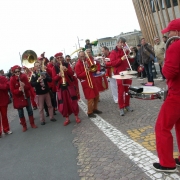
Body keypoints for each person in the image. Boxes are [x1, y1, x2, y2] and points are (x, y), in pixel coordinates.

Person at [153, 18, 180, 172]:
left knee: (162, 127)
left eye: (169, 31)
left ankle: (167, 163)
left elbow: (169, 72)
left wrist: (164, 64)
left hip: (177, 94)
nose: (167, 34)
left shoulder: (175, 46)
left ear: (176, 32)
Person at [52, 52, 81, 126]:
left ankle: (76, 116)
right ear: (56, 59)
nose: (59, 59)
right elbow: (54, 78)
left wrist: (66, 69)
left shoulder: (67, 65)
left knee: (73, 101)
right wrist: (59, 75)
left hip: (69, 85)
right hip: (61, 87)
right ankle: (67, 118)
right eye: (58, 58)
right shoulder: (54, 67)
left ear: (63, 58)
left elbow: (71, 74)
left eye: (60, 57)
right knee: (63, 103)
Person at [110, 37, 133, 116]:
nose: (122, 44)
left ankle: (127, 105)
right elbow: (112, 63)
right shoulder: (113, 52)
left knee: (127, 90)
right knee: (120, 91)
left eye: (123, 43)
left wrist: (131, 54)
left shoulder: (126, 51)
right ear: (117, 43)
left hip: (127, 72)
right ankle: (121, 107)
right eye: (121, 42)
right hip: (119, 74)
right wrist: (121, 59)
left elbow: (131, 60)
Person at [10, 65, 37, 132]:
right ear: (13, 72)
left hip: (26, 96)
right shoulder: (12, 79)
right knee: (20, 113)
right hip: (18, 98)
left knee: (30, 110)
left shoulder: (24, 76)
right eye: (16, 72)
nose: (17, 73)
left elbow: (29, 86)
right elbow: (12, 91)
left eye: (18, 71)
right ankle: (24, 126)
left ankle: (32, 123)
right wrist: (18, 90)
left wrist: (24, 86)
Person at [75, 51, 102, 118]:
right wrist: (86, 71)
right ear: (78, 57)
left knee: (96, 96)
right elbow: (78, 75)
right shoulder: (77, 65)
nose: (82, 57)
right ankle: (89, 112)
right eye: (81, 56)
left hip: (92, 80)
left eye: (83, 56)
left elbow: (93, 69)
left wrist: (89, 66)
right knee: (90, 98)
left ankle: (95, 109)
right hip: (86, 83)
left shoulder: (87, 61)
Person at [0, 71, 12, 137]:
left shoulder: (3, 78)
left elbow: (7, 86)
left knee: (4, 116)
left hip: (3, 100)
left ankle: (6, 129)